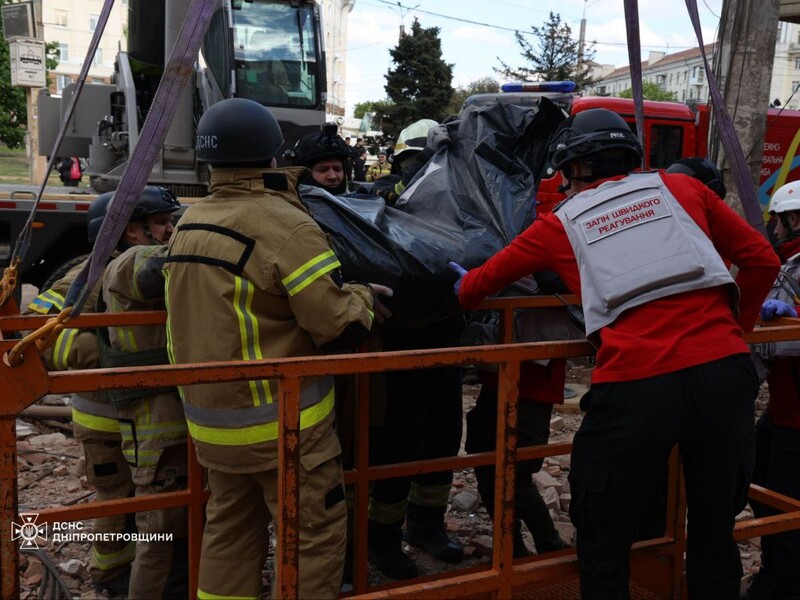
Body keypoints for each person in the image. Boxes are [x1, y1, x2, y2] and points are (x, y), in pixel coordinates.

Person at [450, 108, 779, 599]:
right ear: (630, 153)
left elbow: (476, 288)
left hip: (637, 388)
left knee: (603, 542)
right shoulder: (683, 189)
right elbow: (762, 259)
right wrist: (735, 329)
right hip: (724, 379)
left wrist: (460, 283)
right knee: (714, 534)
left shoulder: (559, 222)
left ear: (573, 171)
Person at [164, 98, 392, 599]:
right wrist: (363, 298)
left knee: (229, 532)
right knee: (313, 535)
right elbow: (335, 326)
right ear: (273, 156)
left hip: (210, 424)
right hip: (284, 429)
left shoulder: (189, 221)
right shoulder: (284, 224)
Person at [25, 193, 137, 596]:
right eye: (152, 224)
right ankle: (110, 576)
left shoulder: (144, 270)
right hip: (103, 416)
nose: (166, 231)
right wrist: (97, 353)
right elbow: (34, 327)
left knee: (147, 504)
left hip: (143, 416)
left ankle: (139, 571)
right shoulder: (90, 273)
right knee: (115, 499)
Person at [98, 186, 189, 599]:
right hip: (156, 430)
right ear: (133, 231)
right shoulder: (128, 263)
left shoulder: (128, 258)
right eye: (162, 224)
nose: (170, 230)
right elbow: (167, 266)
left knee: (178, 532)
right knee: (159, 540)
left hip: (170, 421)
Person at [744, 180, 800, 600]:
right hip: (782, 408)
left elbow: (770, 344)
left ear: (794, 220)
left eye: (777, 223)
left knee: (782, 503)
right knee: (760, 477)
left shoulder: (792, 269)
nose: (774, 232)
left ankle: (780, 585)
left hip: (794, 415)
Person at [289, 124, 352, 194]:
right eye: (323, 170)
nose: (333, 176)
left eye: (337, 169)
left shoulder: (355, 201)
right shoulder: (290, 204)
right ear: (303, 173)